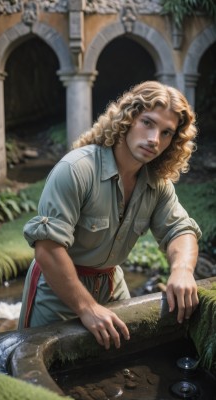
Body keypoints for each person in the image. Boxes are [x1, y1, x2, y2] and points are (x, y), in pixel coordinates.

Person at [18, 81, 201, 350]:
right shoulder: (76, 169)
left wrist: (183, 270)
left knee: (128, 362)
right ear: (127, 119)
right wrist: (87, 307)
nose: (154, 139)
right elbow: (48, 249)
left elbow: (180, 230)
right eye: (147, 123)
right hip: (57, 291)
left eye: (166, 133)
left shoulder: (157, 184)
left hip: (112, 285)